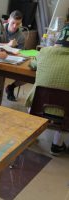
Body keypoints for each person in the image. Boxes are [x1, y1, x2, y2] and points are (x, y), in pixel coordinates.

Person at [25, 25, 69, 156]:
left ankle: (30, 137)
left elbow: (32, 65)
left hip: (36, 106)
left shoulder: (44, 52)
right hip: (66, 112)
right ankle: (57, 144)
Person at [0, 10, 26, 101]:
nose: (15, 26)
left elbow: (21, 53)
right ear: (8, 20)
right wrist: (8, 45)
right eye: (13, 23)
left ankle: (11, 87)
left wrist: (14, 51)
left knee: (25, 77)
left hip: (12, 59)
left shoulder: (21, 36)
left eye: (18, 24)